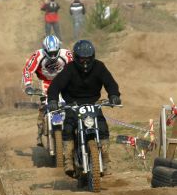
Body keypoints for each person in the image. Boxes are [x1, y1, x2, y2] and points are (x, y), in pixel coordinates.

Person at [47, 40, 121, 177]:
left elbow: (110, 83)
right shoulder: (69, 69)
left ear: (93, 56)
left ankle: (106, 160)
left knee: (103, 128)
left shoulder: (99, 67)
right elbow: (55, 85)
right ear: (76, 58)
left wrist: (114, 95)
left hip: (93, 104)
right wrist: (52, 100)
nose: (85, 62)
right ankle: (68, 160)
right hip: (73, 105)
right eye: (82, 59)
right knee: (68, 128)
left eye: (88, 58)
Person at [22, 35, 73, 146]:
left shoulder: (67, 54)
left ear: (59, 48)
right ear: (44, 50)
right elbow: (28, 69)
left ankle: (75, 128)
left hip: (63, 81)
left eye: (55, 52)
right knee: (44, 106)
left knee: (71, 104)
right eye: (50, 53)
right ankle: (40, 132)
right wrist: (28, 85)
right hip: (46, 82)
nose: (53, 56)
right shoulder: (38, 55)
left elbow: (76, 67)